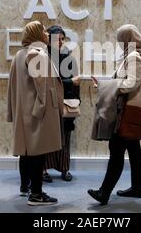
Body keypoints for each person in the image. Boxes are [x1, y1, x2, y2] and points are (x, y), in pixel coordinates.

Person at [88, 24, 141, 205]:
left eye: (120, 40)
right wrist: (104, 84)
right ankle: (138, 188)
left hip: (126, 112)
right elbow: (125, 81)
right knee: (134, 150)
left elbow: (131, 84)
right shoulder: (140, 53)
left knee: (116, 151)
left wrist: (107, 87)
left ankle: (104, 192)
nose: (119, 44)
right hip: (131, 110)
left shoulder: (133, 56)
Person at [7, 21, 64, 206]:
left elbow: (13, 88)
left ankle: (26, 188)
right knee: (38, 152)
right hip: (38, 112)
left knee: (27, 151)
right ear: (36, 34)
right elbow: (42, 86)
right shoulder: (36, 53)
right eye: (44, 31)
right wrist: (41, 110)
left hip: (26, 111)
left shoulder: (19, 54)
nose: (47, 33)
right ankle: (37, 194)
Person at [42, 25, 81, 183]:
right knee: (47, 138)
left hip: (66, 102)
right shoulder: (43, 57)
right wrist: (70, 81)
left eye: (62, 39)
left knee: (65, 137)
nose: (60, 42)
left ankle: (64, 169)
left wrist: (77, 102)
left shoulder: (69, 58)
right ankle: (43, 169)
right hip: (49, 104)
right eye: (57, 39)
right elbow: (48, 83)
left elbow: (76, 83)